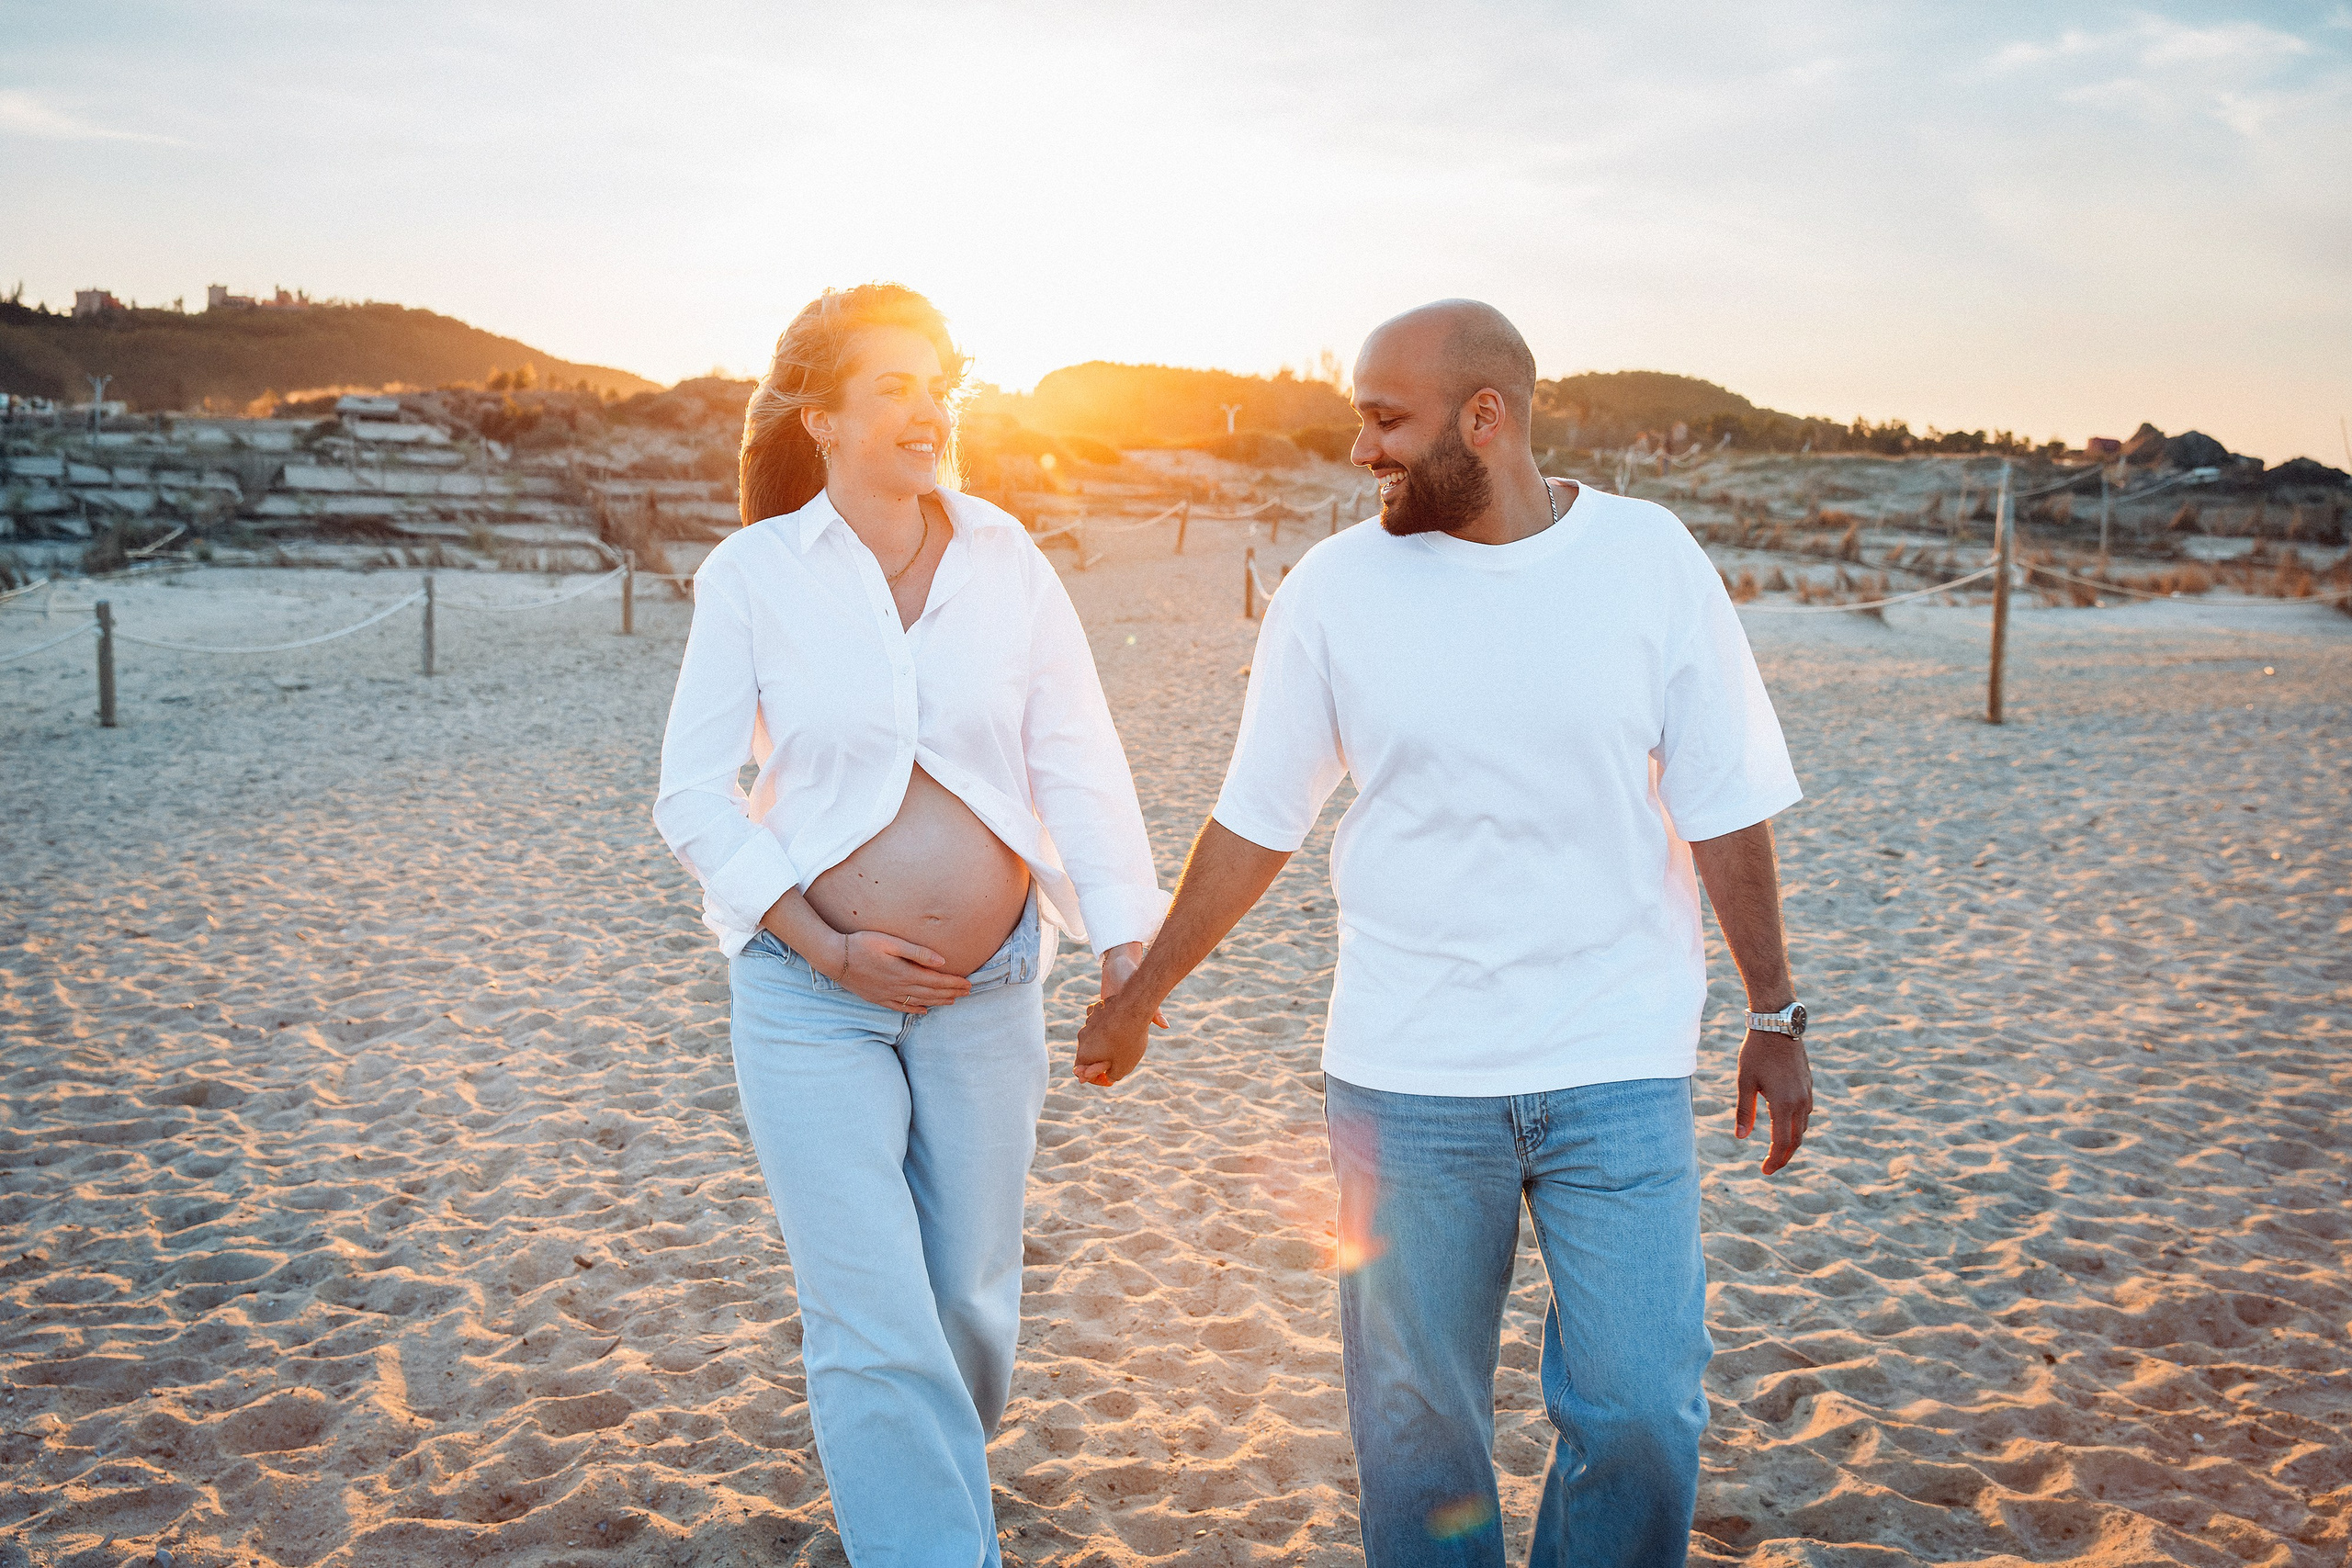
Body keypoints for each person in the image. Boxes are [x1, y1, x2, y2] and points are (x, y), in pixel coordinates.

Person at [1075, 300, 1816, 1567]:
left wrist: (1772, 1011)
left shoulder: (1649, 559)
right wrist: (1144, 989)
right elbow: (1258, 821)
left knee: (1642, 1412)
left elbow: (1725, 801)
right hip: (1407, 1076)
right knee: (1417, 1435)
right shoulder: (1334, 589)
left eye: (1384, 419)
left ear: (1489, 417)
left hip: (1616, 1062)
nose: (1359, 448)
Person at [654, 284, 1167, 1565]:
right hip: (808, 996)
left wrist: (1126, 945)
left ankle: (926, 1487)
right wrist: (823, 944)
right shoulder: (755, 574)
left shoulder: (1008, 561)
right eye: (893, 384)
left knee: (968, 1305)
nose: (927, 406)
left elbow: (1079, 760)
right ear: (821, 417)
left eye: (941, 380)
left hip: (988, 993)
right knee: (873, 1318)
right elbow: (689, 794)